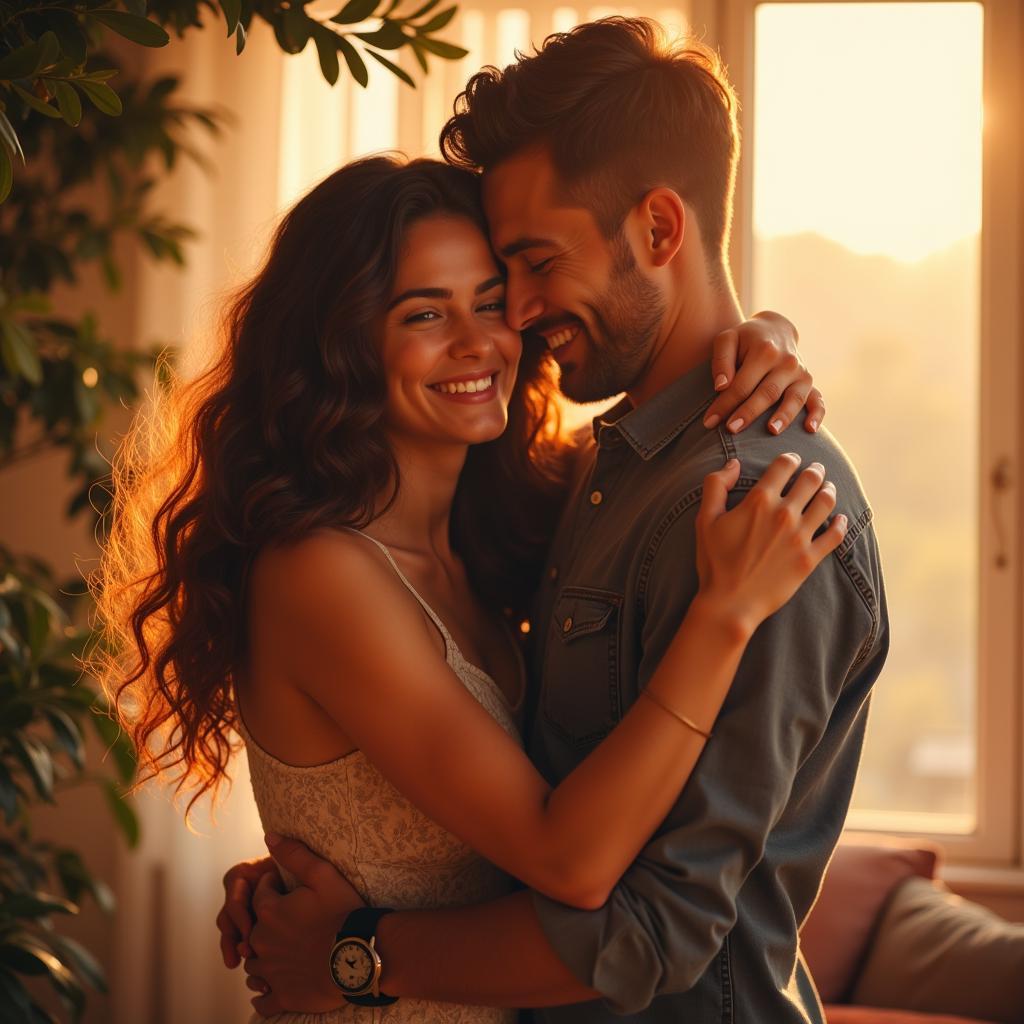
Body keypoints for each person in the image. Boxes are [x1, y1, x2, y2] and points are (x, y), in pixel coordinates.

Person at [221, 17, 889, 1024]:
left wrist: (357, 950)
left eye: (521, 270)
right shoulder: (592, 482)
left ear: (660, 231)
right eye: (423, 310)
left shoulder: (753, 512)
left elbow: (652, 931)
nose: (516, 317)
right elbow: (503, 802)